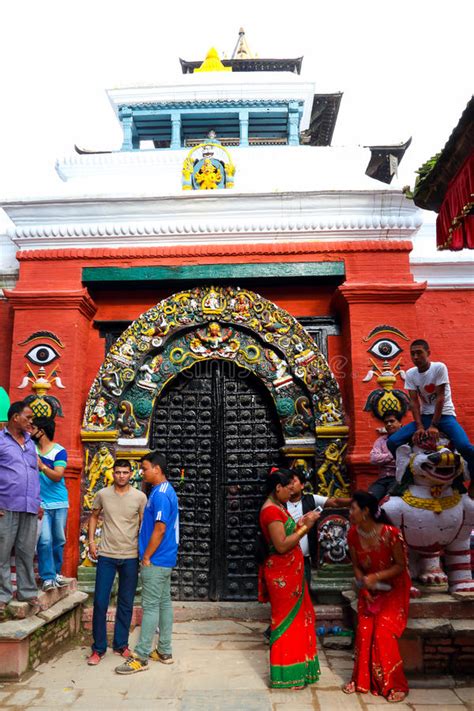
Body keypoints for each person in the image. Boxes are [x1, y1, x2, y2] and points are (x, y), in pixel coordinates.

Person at [342, 491, 410, 703]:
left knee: (382, 633)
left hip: (394, 589)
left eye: (353, 509)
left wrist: (376, 577)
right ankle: (361, 680)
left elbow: (401, 566)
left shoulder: (391, 533)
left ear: (366, 511)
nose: (349, 513)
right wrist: (363, 587)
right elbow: (356, 566)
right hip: (369, 590)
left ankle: (395, 685)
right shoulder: (352, 534)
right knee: (364, 631)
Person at [115, 451, 179, 675]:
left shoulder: (160, 494)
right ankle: (164, 650)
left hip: (157, 558)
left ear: (157, 469)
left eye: (144, 468)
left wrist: (147, 556)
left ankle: (140, 656)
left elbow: (160, 529)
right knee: (164, 603)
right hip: (165, 557)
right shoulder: (165, 490)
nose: (142, 472)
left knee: (150, 606)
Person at [258, 467, 321, 689]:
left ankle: (299, 670)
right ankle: (287, 675)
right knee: (287, 624)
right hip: (282, 575)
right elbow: (282, 544)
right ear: (278, 488)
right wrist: (306, 528)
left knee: (297, 621)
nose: (292, 491)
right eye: (289, 487)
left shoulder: (278, 507)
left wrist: (301, 521)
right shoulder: (271, 512)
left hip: (291, 573)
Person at [387, 340, 474, 488]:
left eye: (419, 352)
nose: (415, 356)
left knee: (465, 447)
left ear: (428, 353)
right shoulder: (410, 373)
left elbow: (440, 397)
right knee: (393, 442)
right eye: (412, 353)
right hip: (425, 417)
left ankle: (472, 478)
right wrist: (420, 426)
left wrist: (434, 425)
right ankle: (407, 476)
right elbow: (414, 402)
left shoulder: (439, 368)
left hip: (445, 415)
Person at [87, 459, 147, 665]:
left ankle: (121, 644)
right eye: (118, 472)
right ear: (113, 473)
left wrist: (143, 550)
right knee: (100, 601)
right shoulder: (103, 494)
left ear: (131, 474)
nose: (121, 475)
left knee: (125, 602)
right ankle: (99, 648)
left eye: (125, 472)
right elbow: (93, 516)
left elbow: (143, 523)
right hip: (107, 555)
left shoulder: (140, 497)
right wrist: (92, 541)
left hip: (130, 555)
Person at [0, 401, 40, 618]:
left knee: (26, 551)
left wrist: (37, 501)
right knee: (2, 553)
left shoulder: (30, 444)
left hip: (29, 506)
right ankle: (2, 596)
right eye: (28, 417)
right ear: (15, 417)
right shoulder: (1, 441)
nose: (31, 421)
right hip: (6, 505)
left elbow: (33, 473)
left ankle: (27, 592)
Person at [287, 471, 351, 584]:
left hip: (304, 557)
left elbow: (335, 502)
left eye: (294, 482)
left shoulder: (311, 499)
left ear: (302, 485)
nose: (290, 485)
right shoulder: (281, 504)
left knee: (304, 589)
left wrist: (358, 500)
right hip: (286, 555)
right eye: (288, 483)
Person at [31, 416, 69, 591]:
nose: (30, 431)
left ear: (42, 431)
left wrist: (42, 466)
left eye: (33, 428)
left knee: (59, 539)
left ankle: (56, 572)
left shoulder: (59, 451)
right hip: (41, 503)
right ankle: (48, 577)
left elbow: (58, 476)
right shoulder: (31, 449)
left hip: (59, 502)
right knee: (44, 540)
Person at [369, 412, 402, 502]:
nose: (388, 424)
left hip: (399, 480)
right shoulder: (381, 440)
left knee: (390, 502)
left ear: (400, 423)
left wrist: (383, 460)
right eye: (386, 422)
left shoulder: (407, 439)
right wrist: (392, 455)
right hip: (382, 480)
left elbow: (404, 462)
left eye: (392, 421)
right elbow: (373, 459)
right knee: (369, 500)